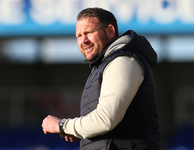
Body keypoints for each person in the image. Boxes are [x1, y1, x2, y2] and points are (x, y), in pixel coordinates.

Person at [42, 7, 161, 150]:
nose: (83, 40)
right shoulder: (103, 65)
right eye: (79, 36)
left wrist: (62, 125)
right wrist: (81, 132)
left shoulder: (123, 60)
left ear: (110, 31)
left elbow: (105, 119)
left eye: (88, 33)